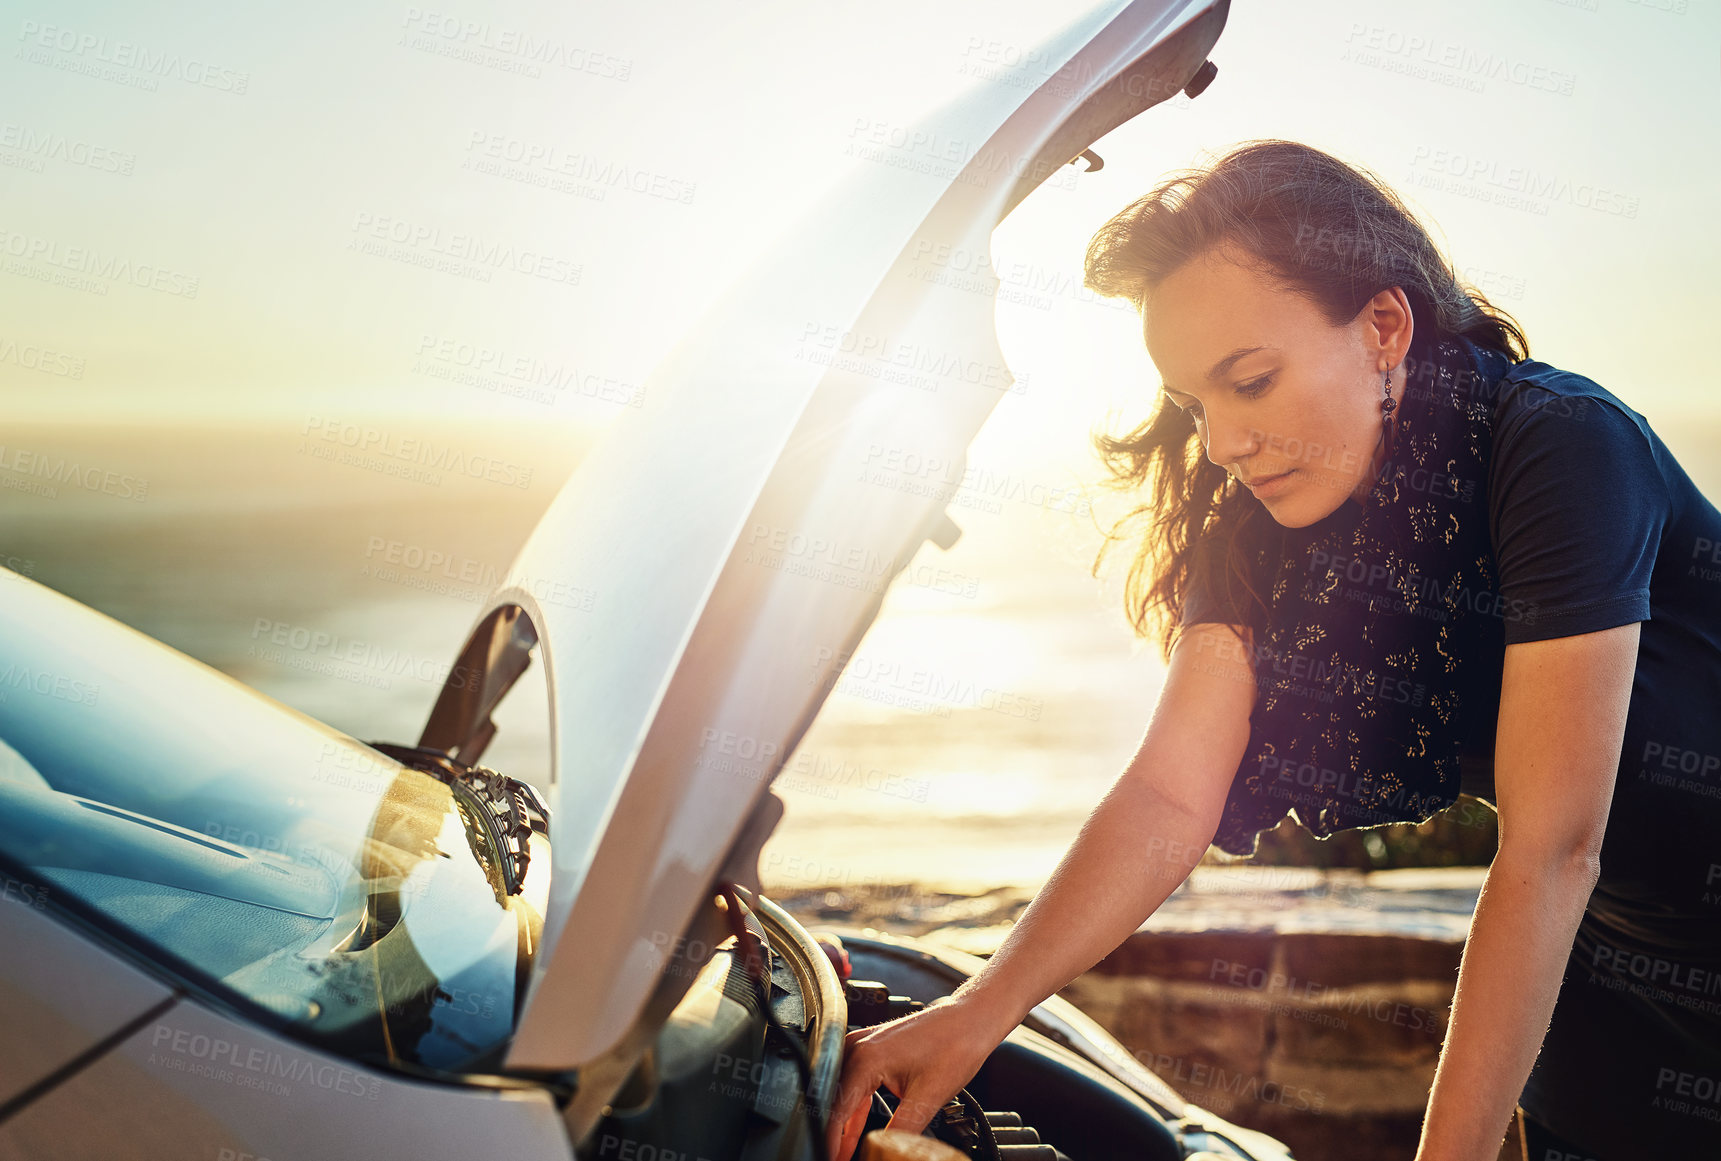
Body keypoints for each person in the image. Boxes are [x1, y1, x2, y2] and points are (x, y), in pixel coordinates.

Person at [823, 140, 1721, 1161]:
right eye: (1194, 404)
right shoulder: (1254, 524)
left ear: (1383, 327)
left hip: (1588, 902)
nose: (1216, 443)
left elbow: (1551, 844)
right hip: (1615, 989)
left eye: (1248, 381)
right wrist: (975, 1013)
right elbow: (1170, 794)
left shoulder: (1560, 444)